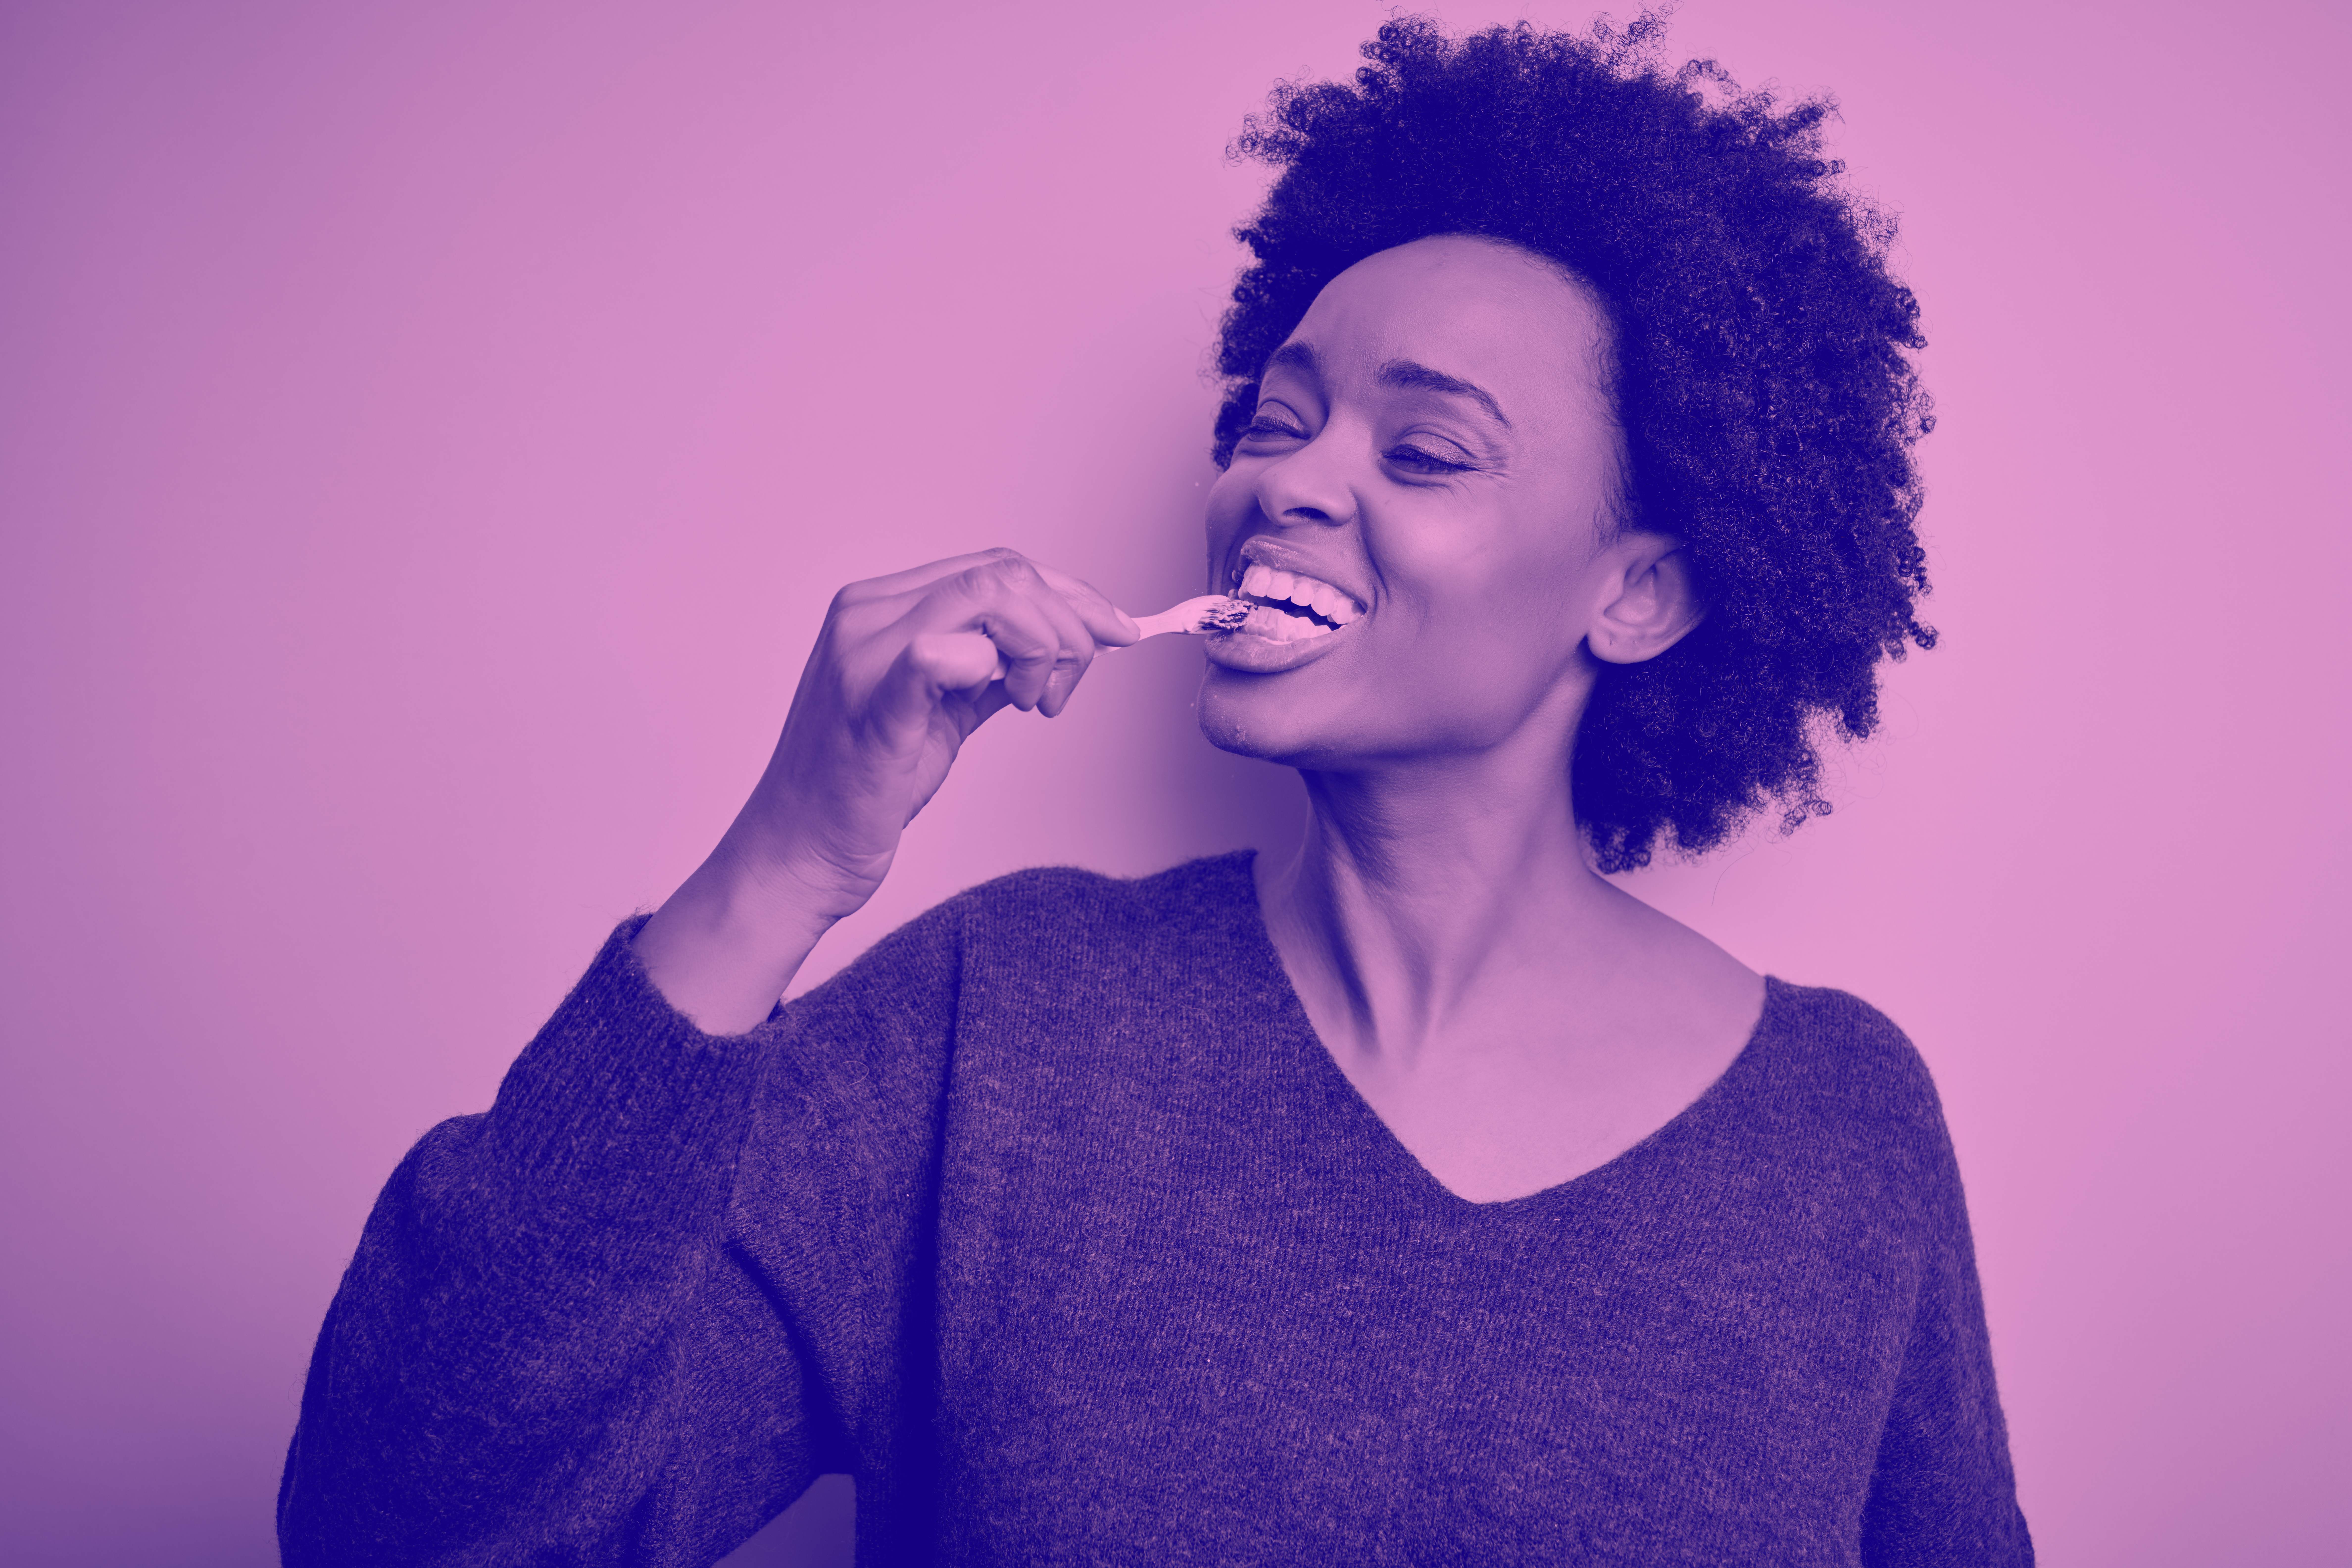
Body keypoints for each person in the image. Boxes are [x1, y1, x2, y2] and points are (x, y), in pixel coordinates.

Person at [280, 15, 2031, 1565]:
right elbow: (416, 1529)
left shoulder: (1845, 1127)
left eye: (1421, 450)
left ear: (1637, 593)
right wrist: (781, 863)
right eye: (1278, 422)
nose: (1288, 485)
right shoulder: (1003, 1023)